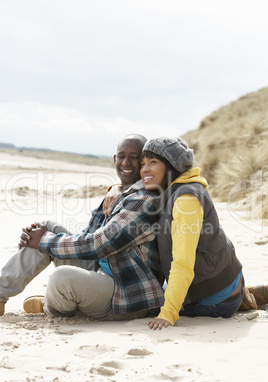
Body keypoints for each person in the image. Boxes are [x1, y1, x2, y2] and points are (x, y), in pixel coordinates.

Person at [0, 134, 164, 319]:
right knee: (45, 227)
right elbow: (88, 234)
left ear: (144, 163)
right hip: (99, 270)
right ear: (114, 159)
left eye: (134, 157)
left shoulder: (145, 200)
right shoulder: (119, 193)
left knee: (61, 279)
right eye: (121, 156)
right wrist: (42, 238)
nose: (126, 162)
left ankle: (53, 304)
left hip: (126, 294)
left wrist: (45, 241)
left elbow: (99, 244)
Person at [140, 136, 268, 330]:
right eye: (143, 164)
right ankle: (243, 293)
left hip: (217, 301)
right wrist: (115, 188)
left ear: (171, 165)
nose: (144, 169)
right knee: (157, 293)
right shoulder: (175, 188)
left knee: (146, 304)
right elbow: (134, 186)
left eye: (153, 162)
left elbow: (182, 263)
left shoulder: (185, 200)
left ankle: (237, 297)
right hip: (223, 278)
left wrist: (168, 314)